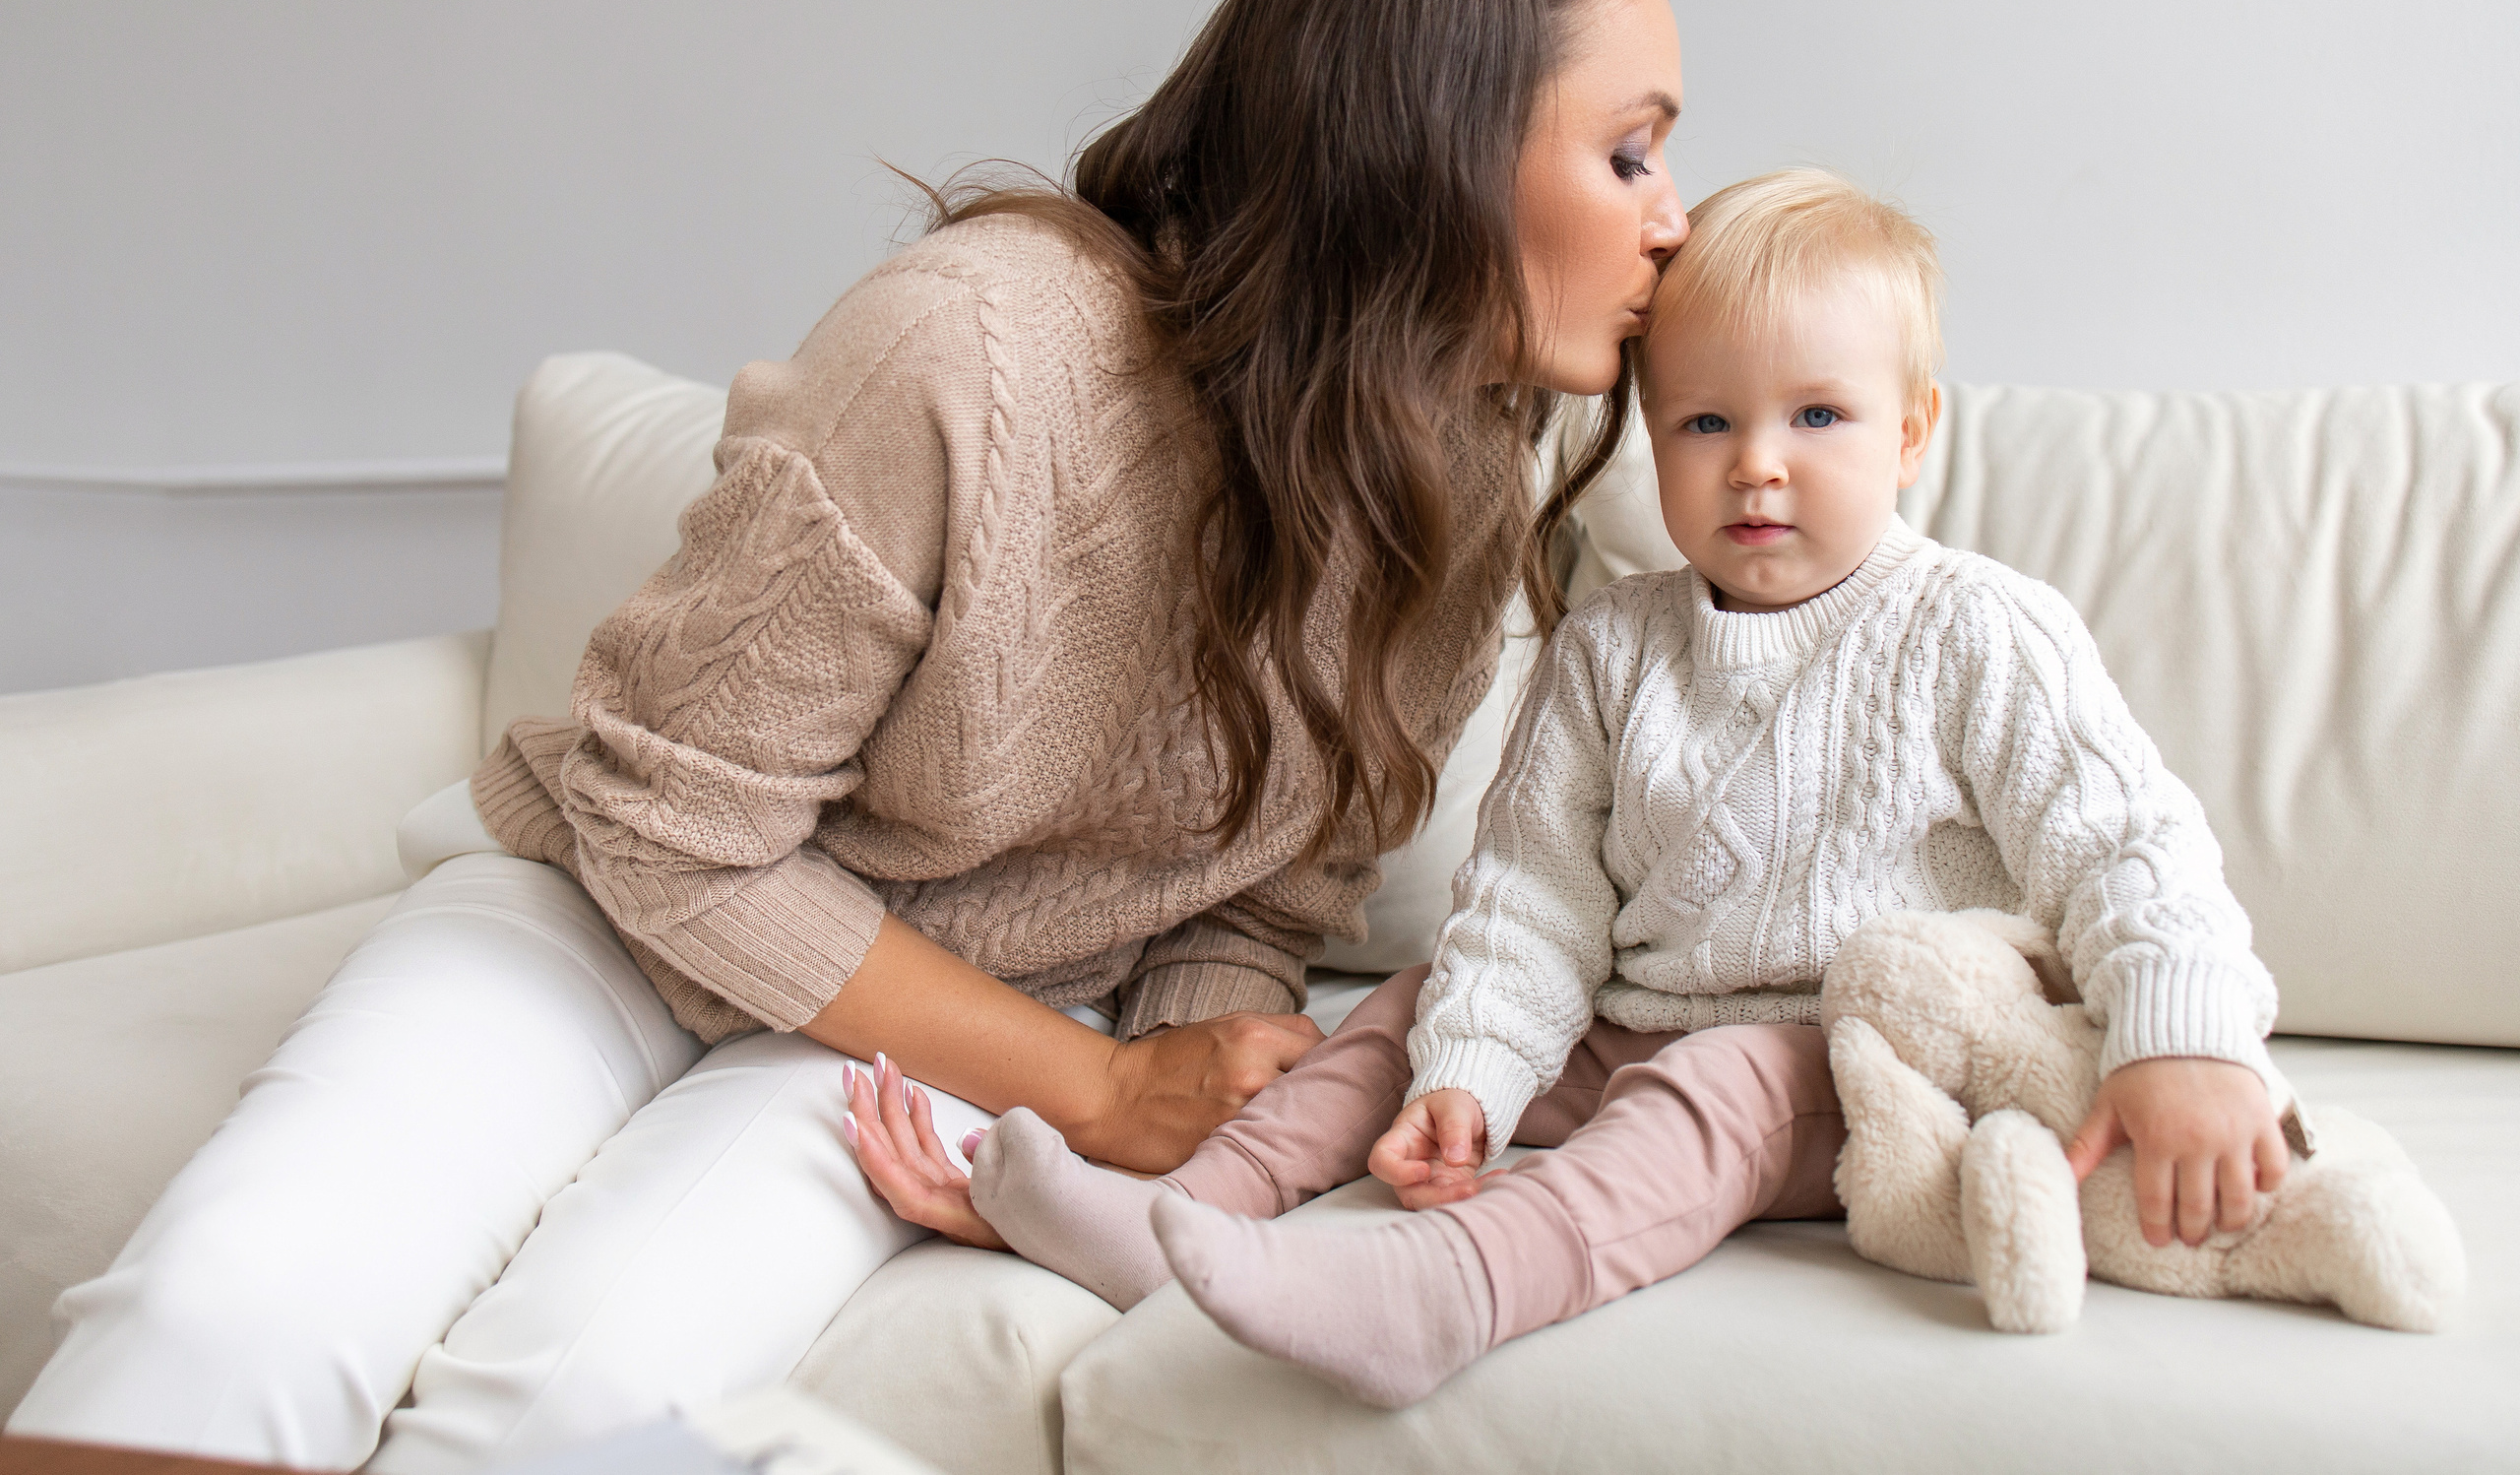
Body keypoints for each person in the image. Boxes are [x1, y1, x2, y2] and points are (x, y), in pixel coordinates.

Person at [9, 0, 1696, 1471]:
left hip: (948, 1017)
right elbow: (673, 830)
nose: (1673, 220)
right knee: (234, 1321)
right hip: (619, 910)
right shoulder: (975, 353)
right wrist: (1099, 1090)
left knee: (577, 1410)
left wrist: (1192, 1118)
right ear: (1432, 146)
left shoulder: (1464, 473)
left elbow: (1258, 894)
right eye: (1629, 152)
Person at [847, 168, 2298, 1409]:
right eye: (1707, 426)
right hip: (1639, 1019)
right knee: (1414, 996)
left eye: (1819, 419)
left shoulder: (1978, 629)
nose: (1760, 471)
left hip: (1853, 1059)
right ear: (1651, 436)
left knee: (1719, 1084)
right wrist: (1472, 1078)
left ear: (1912, 431)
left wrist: (2191, 1043)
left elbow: (2128, 847)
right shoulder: (1611, 646)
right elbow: (1535, 899)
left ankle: (1446, 1295)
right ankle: (1179, 1210)